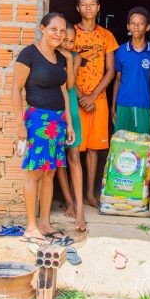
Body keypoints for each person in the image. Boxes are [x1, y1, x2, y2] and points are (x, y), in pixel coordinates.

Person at [11, 12, 75, 242]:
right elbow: (16, 90)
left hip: (57, 122)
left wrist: (69, 123)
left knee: (50, 173)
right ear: (42, 28)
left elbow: (64, 91)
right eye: (53, 29)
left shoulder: (59, 58)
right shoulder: (29, 54)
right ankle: (30, 227)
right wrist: (20, 125)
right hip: (37, 122)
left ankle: (45, 224)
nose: (58, 34)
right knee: (35, 173)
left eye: (62, 30)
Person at [73, 0, 118, 207]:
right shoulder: (70, 33)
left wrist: (92, 96)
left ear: (98, 7)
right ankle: (73, 197)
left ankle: (89, 194)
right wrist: (81, 96)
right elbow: (64, 66)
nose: (88, 8)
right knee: (74, 147)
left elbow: (110, 71)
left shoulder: (106, 36)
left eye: (92, 4)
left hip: (98, 100)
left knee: (93, 149)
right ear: (78, 8)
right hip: (75, 98)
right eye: (84, 4)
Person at [54, 25, 87, 232]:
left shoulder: (73, 57)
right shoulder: (47, 55)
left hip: (71, 105)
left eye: (72, 41)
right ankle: (69, 200)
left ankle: (80, 206)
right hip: (53, 106)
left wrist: (67, 58)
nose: (68, 44)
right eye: (65, 40)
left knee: (73, 155)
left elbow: (70, 85)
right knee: (58, 159)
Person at [112, 7, 150, 135]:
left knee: (145, 145)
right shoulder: (120, 51)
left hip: (145, 105)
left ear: (148, 27)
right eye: (132, 23)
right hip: (123, 104)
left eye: (140, 23)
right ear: (128, 26)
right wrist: (113, 106)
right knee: (122, 144)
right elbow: (118, 79)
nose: (136, 27)